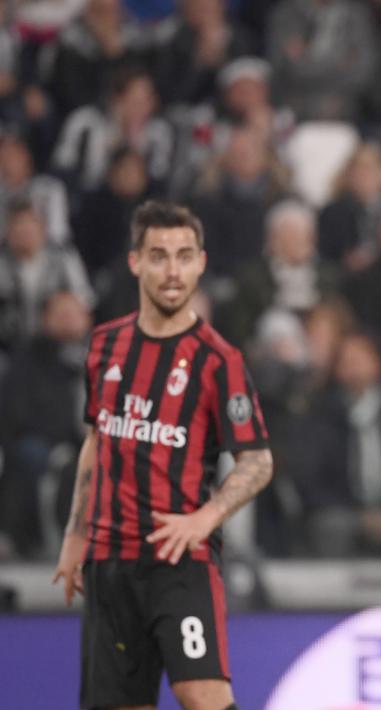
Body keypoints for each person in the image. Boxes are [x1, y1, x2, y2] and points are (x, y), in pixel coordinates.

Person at [51, 201, 273, 710]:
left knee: (204, 696)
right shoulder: (104, 345)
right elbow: (95, 440)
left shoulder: (220, 361)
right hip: (109, 562)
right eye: (158, 256)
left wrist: (205, 518)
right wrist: (74, 535)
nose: (172, 270)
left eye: (183, 255)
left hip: (180, 563)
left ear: (201, 262)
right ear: (135, 262)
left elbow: (258, 461)